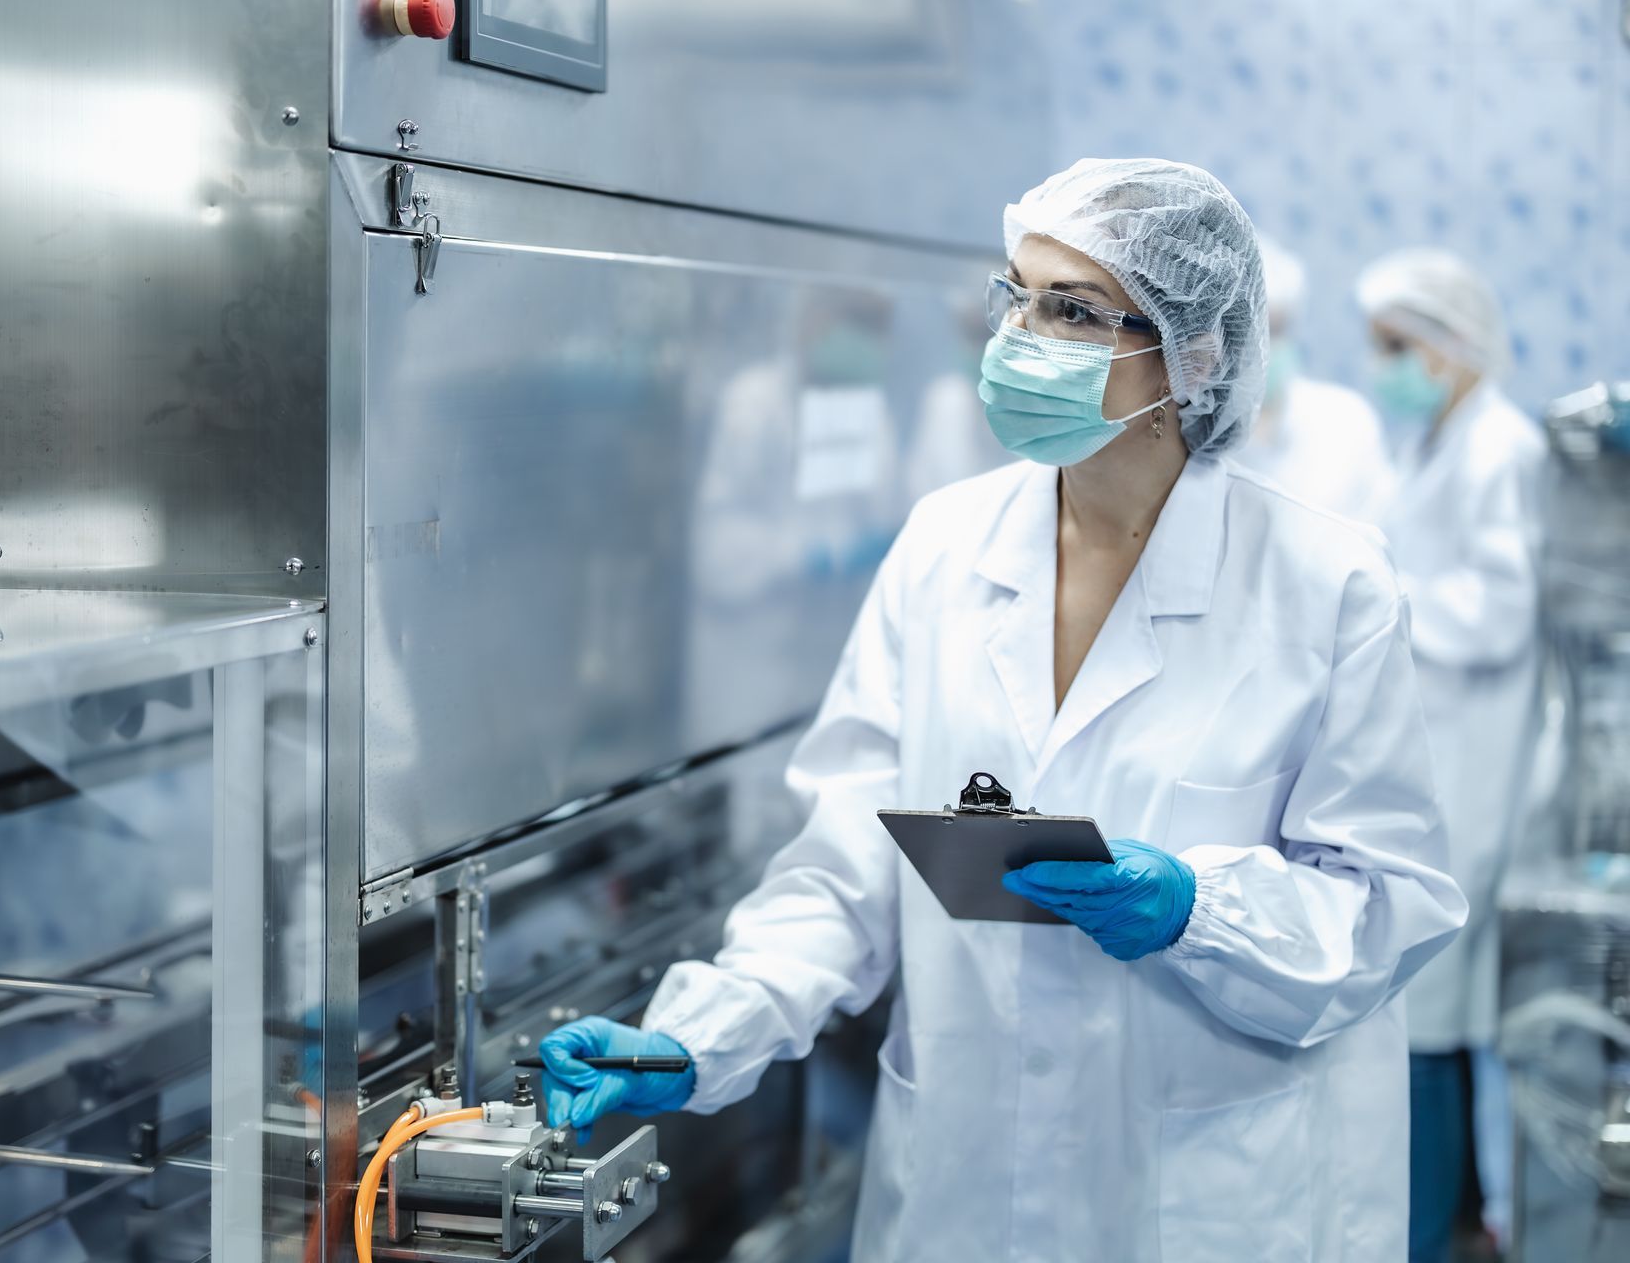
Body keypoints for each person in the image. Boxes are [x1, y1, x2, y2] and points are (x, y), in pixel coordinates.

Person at [543, 159, 1467, 1261]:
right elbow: (846, 869)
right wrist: (707, 1032)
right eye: (1016, 297)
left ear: (1196, 353)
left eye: (1072, 311)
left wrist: (1200, 910)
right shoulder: (945, 545)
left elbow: (1390, 904)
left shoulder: (1326, 582)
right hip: (968, 1181)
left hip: (1208, 1191)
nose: (1020, 338)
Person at [1356, 248, 1546, 1263]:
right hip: (1438, 755)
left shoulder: (1501, 448)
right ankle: (1449, 1221)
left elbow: (1500, 612)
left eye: (1395, 345)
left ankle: (1440, 1231)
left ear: (1446, 343)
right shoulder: (1436, 439)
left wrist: (1388, 599)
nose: (1384, 365)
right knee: (1433, 1007)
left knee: (1437, 1011)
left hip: (1477, 769)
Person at [1240, 238, 1392, 520]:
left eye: (1277, 330)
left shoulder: (1346, 419)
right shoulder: (1195, 434)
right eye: (1253, 332)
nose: (1266, 347)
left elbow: (1381, 527)